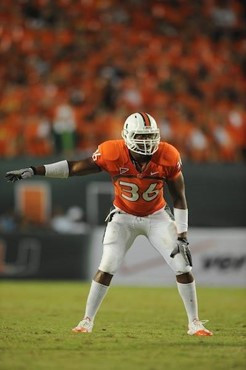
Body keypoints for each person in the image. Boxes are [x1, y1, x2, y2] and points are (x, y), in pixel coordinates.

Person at [5, 112, 213, 336]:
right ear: (127, 136)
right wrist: (36, 170)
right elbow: (75, 167)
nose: (146, 142)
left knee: (183, 266)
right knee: (108, 266)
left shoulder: (168, 154)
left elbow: (179, 197)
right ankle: (86, 321)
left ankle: (195, 323)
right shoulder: (112, 151)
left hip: (157, 216)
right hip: (123, 216)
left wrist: (182, 235)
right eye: (140, 137)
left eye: (150, 136)